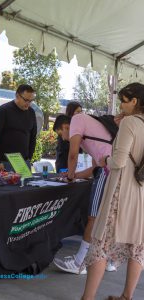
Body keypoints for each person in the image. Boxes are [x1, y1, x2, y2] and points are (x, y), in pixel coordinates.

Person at [81, 82, 144, 300]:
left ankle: (87, 298)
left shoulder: (130, 122)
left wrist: (104, 159)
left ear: (134, 101)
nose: (121, 106)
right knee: (137, 244)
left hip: (121, 189)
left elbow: (118, 161)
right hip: (141, 192)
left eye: (123, 102)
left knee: (101, 242)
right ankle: (127, 296)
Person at [53, 112, 123, 274]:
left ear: (65, 127)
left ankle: (80, 263)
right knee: (109, 217)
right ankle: (109, 260)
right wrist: (74, 175)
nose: (63, 139)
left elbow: (72, 155)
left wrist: (70, 177)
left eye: (61, 134)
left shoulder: (77, 120)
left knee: (93, 217)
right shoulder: (92, 129)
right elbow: (94, 168)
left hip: (107, 172)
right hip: (116, 171)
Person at [0, 84, 37, 172]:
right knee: (7, 186)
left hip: (24, 162)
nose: (28, 103)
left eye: (31, 101)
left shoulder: (31, 112)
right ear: (17, 96)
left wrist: (29, 157)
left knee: (26, 185)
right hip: (5, 162)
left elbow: (33, 136)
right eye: (26, 100)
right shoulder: (3, 111)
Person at [55, 101, 82, 173]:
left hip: (77, 163)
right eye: (78, 111)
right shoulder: (65, 125)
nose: (80, 114)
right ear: (71, 112)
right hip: (64, 162)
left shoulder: (79, 126)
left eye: (81, 112)